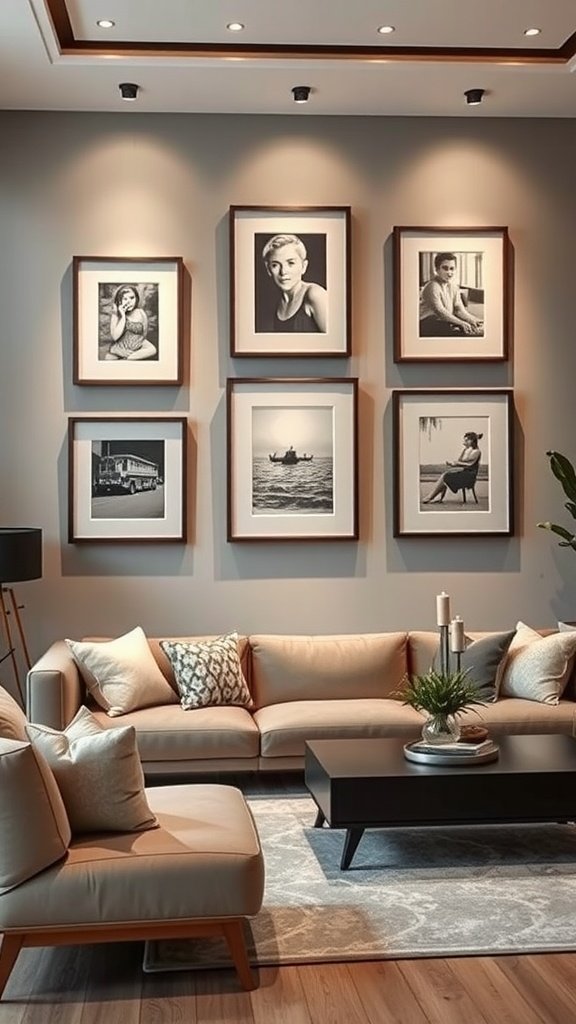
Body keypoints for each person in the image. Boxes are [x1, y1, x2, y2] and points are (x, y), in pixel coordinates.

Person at [262, 234, 327, 333]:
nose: (283, 272)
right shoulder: (276, 303)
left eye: (291, 263)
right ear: (268, 269)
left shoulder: (315, 294)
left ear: (304, 266)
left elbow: (335, 342)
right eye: (275, 265)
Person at [419, 252, 483, 337]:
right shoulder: (432, 287)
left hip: (443, 322)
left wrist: (473, 320)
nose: (449, 273)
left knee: (473, 326)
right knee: (460, 329)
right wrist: (461, 323)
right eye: (445, 268)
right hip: (427, 324)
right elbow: (440, 312)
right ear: (437, 269)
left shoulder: (453, 286)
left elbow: (459, 310)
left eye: (452, 269)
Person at [422, 432, 483, 504]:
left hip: (469, 475)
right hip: (464, 472)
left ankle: (432, 497)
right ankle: (436, 497)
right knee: (446, 474)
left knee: (446, 476)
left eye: (466, 440)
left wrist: (457, 463)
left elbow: (469, 465)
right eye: (464, 441)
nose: (464, 442)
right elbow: (460, 462)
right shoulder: (466, 450)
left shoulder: (477, 451)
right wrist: (453, 464)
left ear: (472, 441)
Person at [106, 285, 157, 360]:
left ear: (136, 299)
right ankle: (126, 358)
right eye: (125, 299)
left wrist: (137, 346)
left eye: (132, 298)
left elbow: (144, 333)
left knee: (152, 350)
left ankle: (129, 358)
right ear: (119, 301)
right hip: (121, 345)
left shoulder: (140, 312)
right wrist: (123, 316)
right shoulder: (116, 315)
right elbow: (115, 337)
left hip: (138, 343)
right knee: (108, 358)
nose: (129, 301)